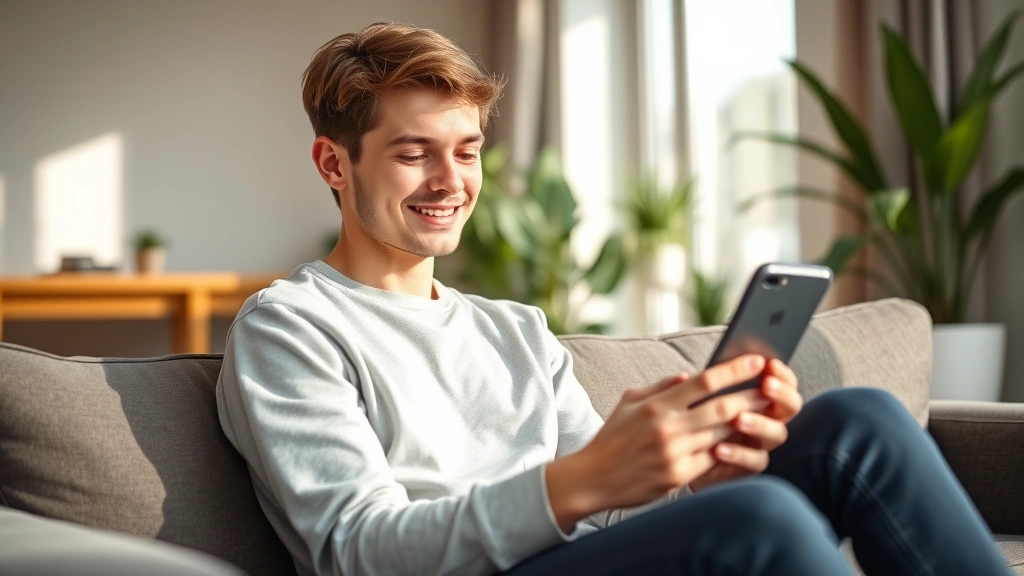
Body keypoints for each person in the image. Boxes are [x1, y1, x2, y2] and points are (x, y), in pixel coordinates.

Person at [215, 21, 1009, 576]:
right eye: (413, 154)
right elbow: (359, 552)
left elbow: (610, 524)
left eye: (466, 151)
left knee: (856, 421)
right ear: (333, 161)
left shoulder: (512, 329)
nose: (449, 182)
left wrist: (701, 475)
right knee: (760, 522)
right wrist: (582, 479)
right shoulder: (293, 327)